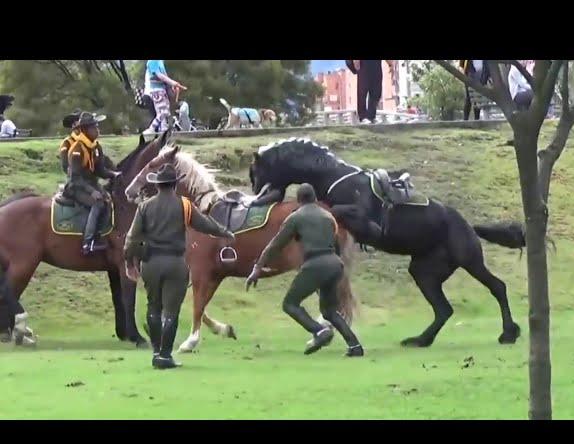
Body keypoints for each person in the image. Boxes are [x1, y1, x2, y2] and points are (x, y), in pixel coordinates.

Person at [124, 161, 235, 369]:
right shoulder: (184, 205)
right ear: (174, 185)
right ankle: (166, 355)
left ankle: (156, 352)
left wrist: (129, 262)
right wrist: (225, 233)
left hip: (151, 263)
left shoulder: (144, 207)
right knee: (171, 312)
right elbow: (205, 224)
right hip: (175, 263)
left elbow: (131, 238)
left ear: (157, 185)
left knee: (153, 307)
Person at [246, 183, 364, 357]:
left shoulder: (295, 218)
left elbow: (275, 246)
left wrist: (257, 268)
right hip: (335, 264)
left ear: (299, 200)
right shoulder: (328, 216)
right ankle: (355, 346)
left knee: (290, 304)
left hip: (315, 264)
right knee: (330, 311)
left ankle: (319, 331)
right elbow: (336, 242)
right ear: (315, 199)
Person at [65, 112, 121, 255]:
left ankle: (100, 235)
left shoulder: (95, 146)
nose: (97, 130)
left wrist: (114, 174)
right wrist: (92, 191)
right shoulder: (77, 149)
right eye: (94, 127)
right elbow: (75, 178)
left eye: (97, 127)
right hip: (76, 186)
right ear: (85, 130)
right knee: (98, 203)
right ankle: (88, 242)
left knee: (108, 200)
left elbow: (100, 170)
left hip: (90, 183)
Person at [143, 60, 187, 135]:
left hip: (162, 90)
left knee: (165, 113)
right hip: (156, 90)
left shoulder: (160, 61)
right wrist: (173, 83)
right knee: (163, 112)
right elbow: (159, 75)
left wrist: (172, 85)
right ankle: (151, 129)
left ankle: (164, 132)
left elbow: (165, 76)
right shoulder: (153, 61)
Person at [346, 60, 395, 124]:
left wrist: (390, 64)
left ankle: (371, 116)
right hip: (363, 64)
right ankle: (362, 117)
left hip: (376, 65)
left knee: (376, 92)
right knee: (362, 90)